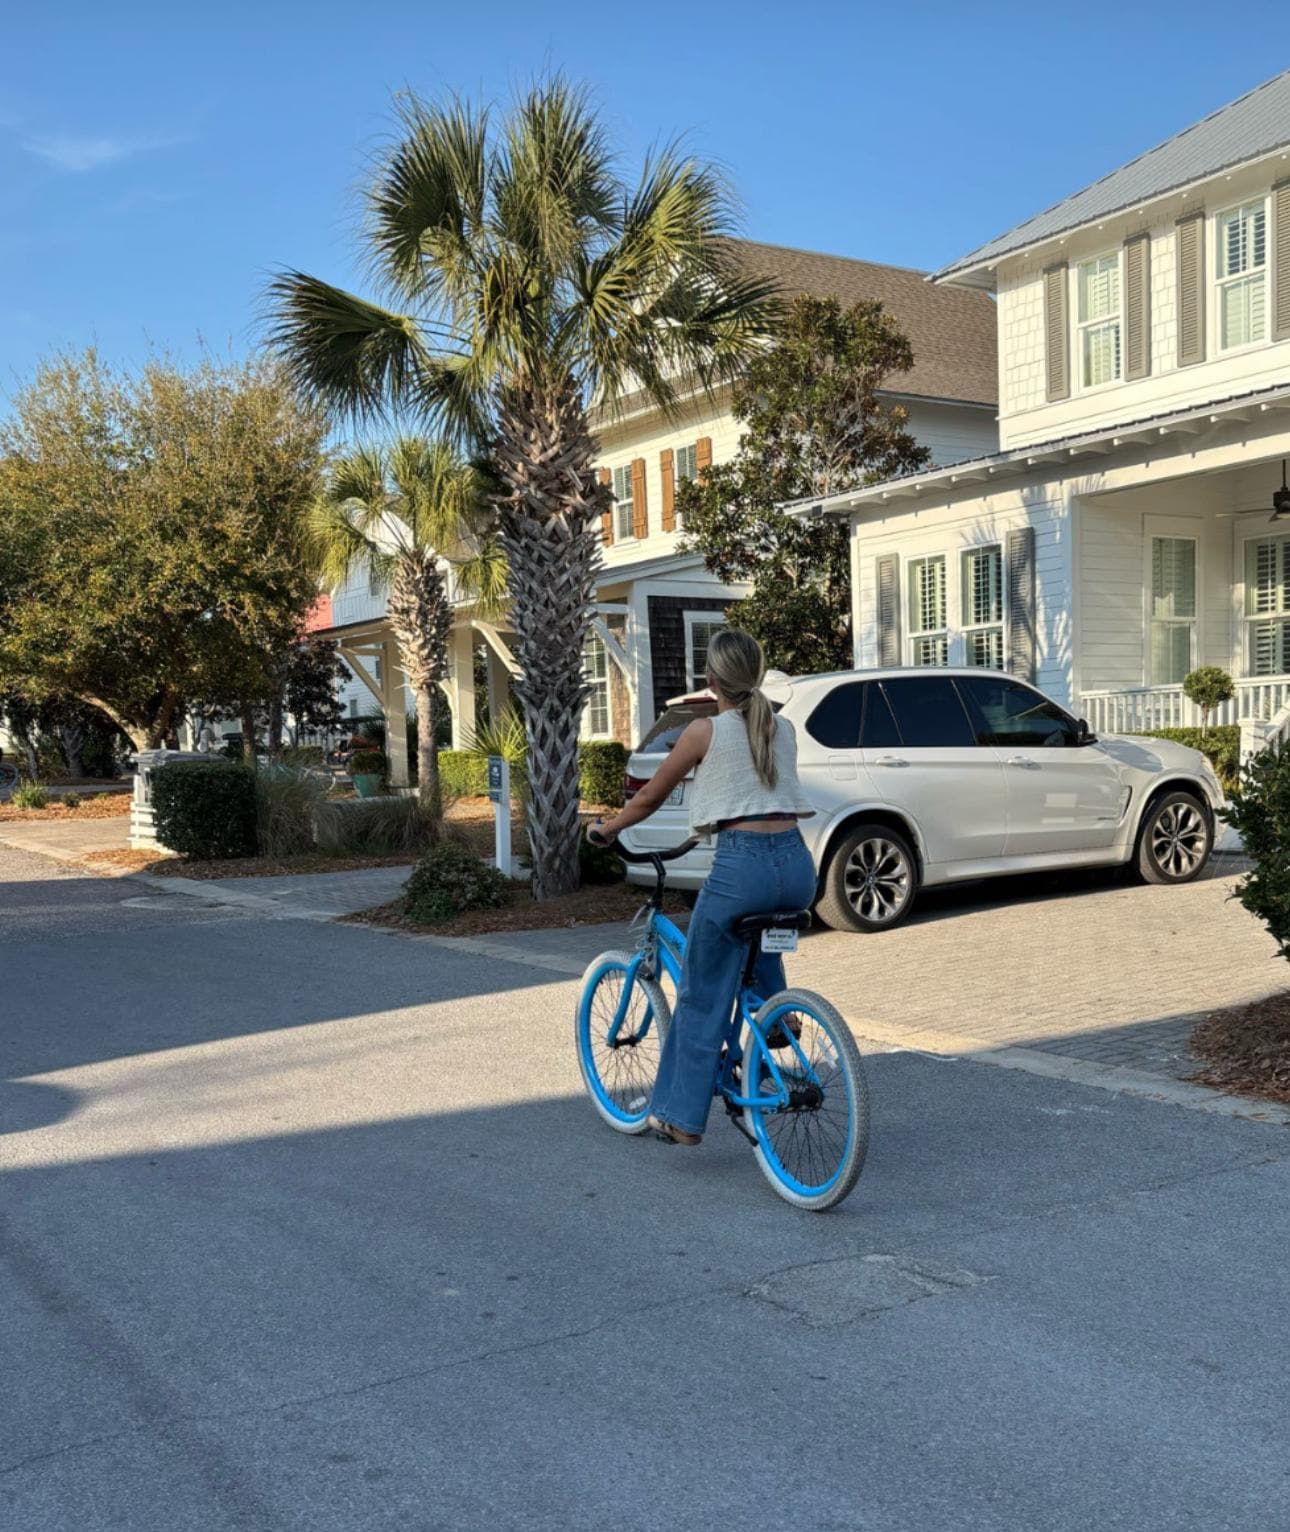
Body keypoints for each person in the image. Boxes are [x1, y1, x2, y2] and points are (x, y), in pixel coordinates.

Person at [590, 629, 815, 1146]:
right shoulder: (782, 727)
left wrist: (609, 829)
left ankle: (681, 1119)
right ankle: (775, 1019)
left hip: (743, 868)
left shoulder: (702, 731)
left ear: (711, 679)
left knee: (701, 993)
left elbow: (649, 797)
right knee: (758, 943)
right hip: (797, 869)